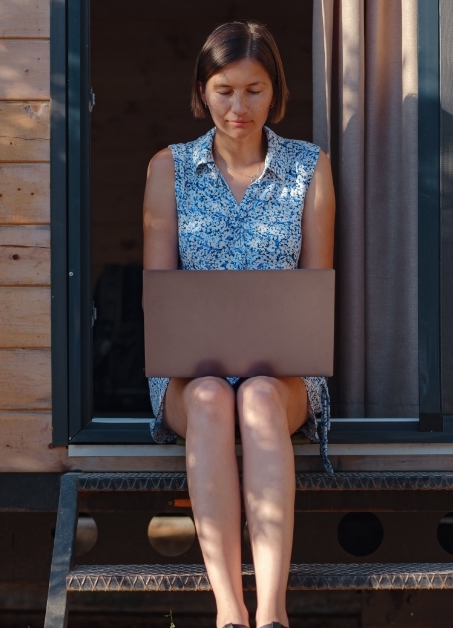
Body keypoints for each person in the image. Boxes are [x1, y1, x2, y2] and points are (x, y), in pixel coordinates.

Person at [141, 21, 336, 628]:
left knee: (253, 397)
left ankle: (273, 613)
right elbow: (159, 295)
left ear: (275, 93)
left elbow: (315, 289)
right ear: (202, 93)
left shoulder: (311, 169)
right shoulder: (167, 168)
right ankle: (230, 612)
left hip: (283, 380)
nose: (238, 106)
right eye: (224, 90)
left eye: (254, 90)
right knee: (207, 397)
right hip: (189, 378)